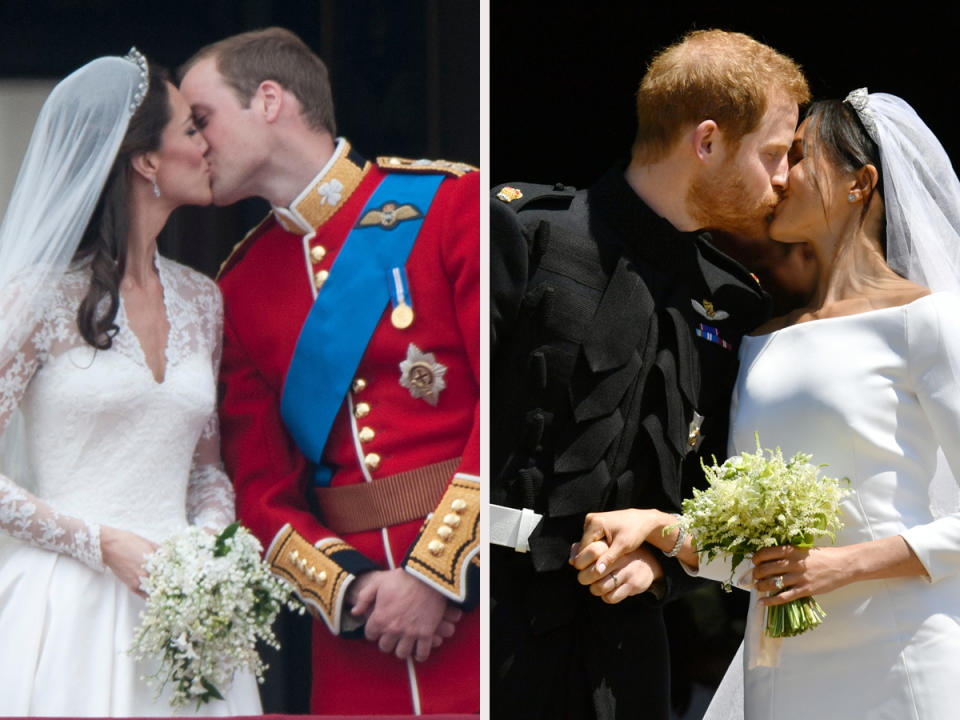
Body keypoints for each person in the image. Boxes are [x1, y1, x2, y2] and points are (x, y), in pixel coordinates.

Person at [574, 90, 960, 719]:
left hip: (904, 651)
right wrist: (657, 528)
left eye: (798, 158)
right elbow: (755, 558)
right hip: (782, 662)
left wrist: (845, 563)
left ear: (860, 183)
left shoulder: (928, 320)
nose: (778, 177)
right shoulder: (758, 337)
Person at [490, 28, 809, 720]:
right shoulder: (522, 234)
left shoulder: (734, 303)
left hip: (627, 660)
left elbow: (721, 493)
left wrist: (660, 568)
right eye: (776, 154)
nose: (786, 179)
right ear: (708, 141)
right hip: (488, 630)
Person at [177, 27, 480, 715]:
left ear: (270, 99)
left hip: (476, 607)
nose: (195, 145)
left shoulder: (450, 205)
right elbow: (258, 489)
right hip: (360, 639)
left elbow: (511, 406)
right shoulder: (240, 286)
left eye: (203, 120)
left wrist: (436, 576)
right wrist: (354, 590)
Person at [0, 51, 261, 714]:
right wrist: (100, 543)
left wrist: (208, 548)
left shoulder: (203, 299)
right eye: (190, 130)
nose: (207, 146)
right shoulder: (36, 299)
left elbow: (205, 470)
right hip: (67, 610)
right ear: (145, 160)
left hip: (186, 616)